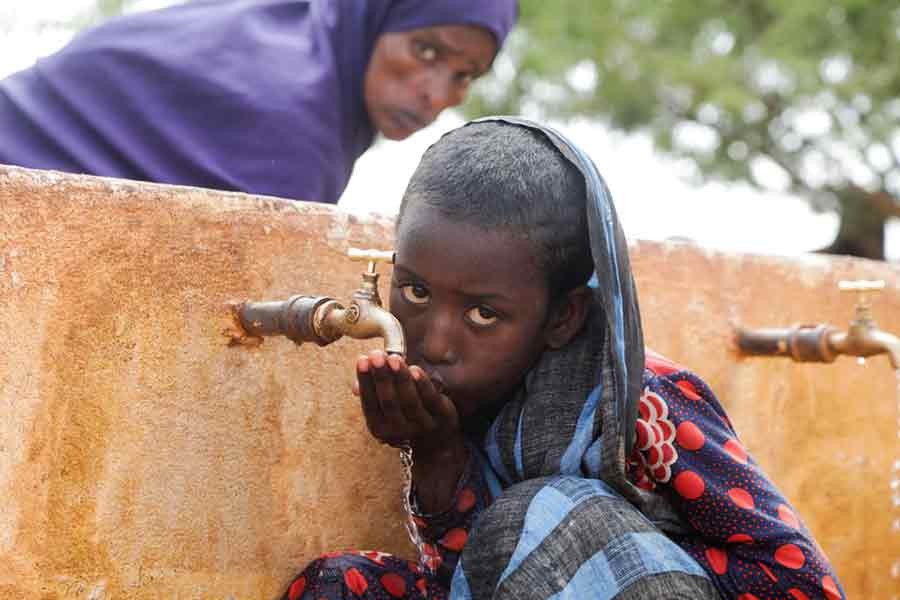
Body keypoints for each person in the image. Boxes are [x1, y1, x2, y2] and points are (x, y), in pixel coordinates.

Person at [280, 118, 847, 600]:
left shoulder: (644, 401)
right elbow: (473, 573)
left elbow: (800, 581)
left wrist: (623, 556)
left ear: (563, 318)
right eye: (416, 292)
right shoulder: (457, 395)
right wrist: (436, 453)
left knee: (547, 513)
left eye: (483, 314)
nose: (436, 341)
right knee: (341, 584)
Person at [0, 0, 516, 203]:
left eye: (464, 75)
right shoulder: (296, 121)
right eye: (425, 50)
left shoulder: (292, 30)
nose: (435, 93)